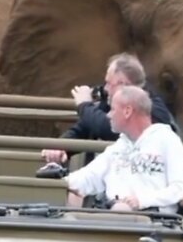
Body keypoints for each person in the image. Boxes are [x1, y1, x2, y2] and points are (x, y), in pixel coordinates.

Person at [65, 86, 183, 214]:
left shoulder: (167, 140)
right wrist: (57, 180)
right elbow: (87, 178)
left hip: (155, 221)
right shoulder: (118, 147)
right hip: (114, 218)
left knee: (121, 209)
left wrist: (142, 200)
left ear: (127, 111)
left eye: (112, 110)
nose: (109, 116)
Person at [42, 53, 176, 165]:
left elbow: (110, 128)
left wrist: (84, 105)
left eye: (108, 83)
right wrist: (61, 146)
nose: (105, 88)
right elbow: (84, 127)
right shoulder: (113, 101)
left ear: (122, 84)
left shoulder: (152, 108)